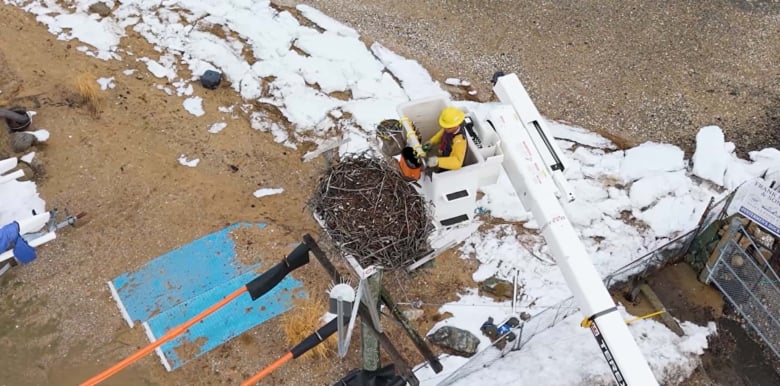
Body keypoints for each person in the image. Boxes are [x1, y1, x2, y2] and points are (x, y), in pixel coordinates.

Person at [424, 107, 468, 171]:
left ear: (456, 125)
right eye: (444, 127)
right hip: (444, 152)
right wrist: (432, 141)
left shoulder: (460, 140)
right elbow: (442, 133)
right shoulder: (449, 128)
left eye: (448, 128)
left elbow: (457, 162)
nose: (445, 129)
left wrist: (437, 161)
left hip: (451, 165)